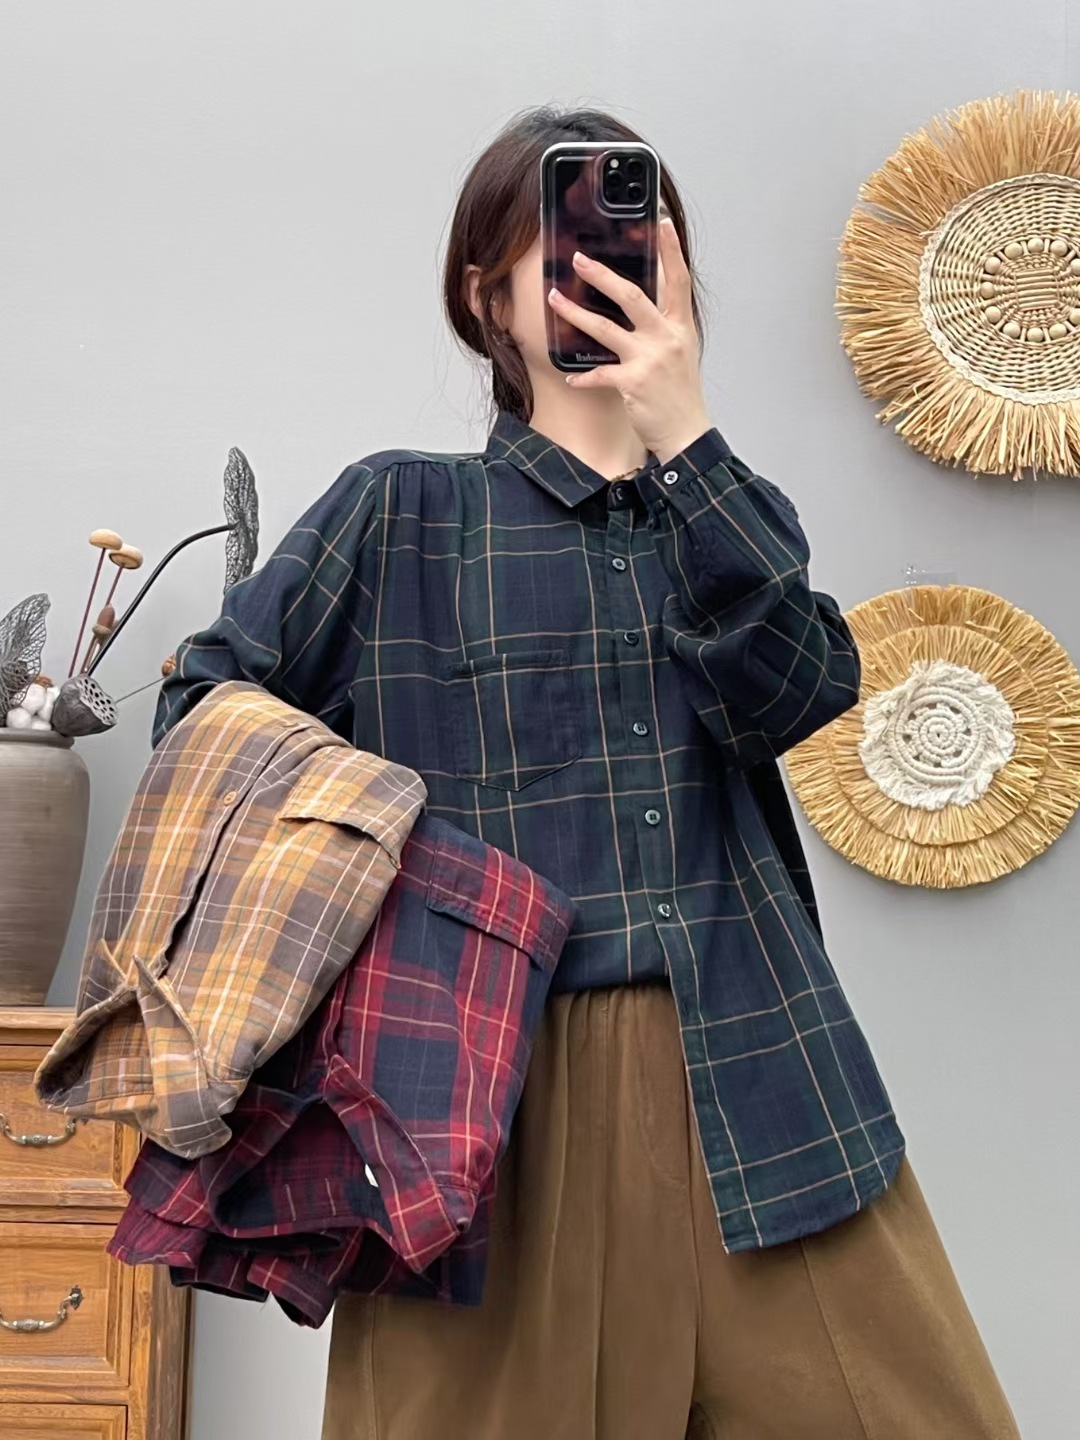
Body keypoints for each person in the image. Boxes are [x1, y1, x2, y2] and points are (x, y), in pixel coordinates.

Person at [157, 107, 1020, 1440]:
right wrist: (398, 859)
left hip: (754, 1069)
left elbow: (799, 692)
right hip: (486, 1094)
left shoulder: (725, 516)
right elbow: (204, 715)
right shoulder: (401, 513)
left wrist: (690, 437)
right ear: (486, 299)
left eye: (644, 243)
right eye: (565, 249)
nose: (615, 270)